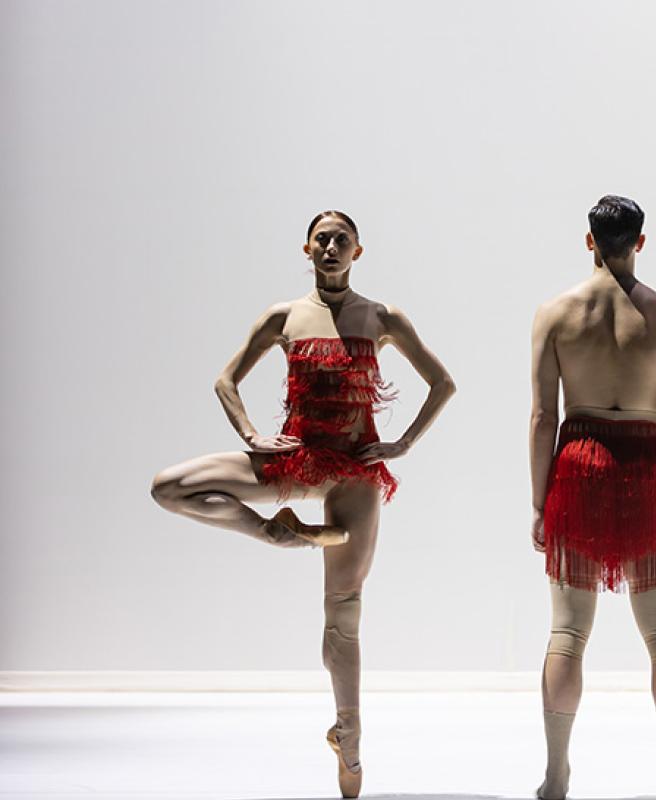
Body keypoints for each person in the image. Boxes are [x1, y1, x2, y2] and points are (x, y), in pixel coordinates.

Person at [150, 211, 456, 798]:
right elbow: (225, 380)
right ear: (307, 248)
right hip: (296, 462)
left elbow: (442, 383)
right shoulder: (283, 316)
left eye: (343, 239)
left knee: (343, 613)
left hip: (354, 474)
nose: (332, 246)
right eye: (323, 238)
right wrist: (250, 435)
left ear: (359, 251)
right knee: (170, 486)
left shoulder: (382, 317)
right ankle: (273, 532)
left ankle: (350, 737)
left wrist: (401, 443)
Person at [529, 195, 656, 800]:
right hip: (648, 467)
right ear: (641, 242)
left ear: (589, 241)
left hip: (578, 462)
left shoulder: (554, 315)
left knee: (567, 634)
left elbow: (544, 416)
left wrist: (536, 501)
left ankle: (556, 775)